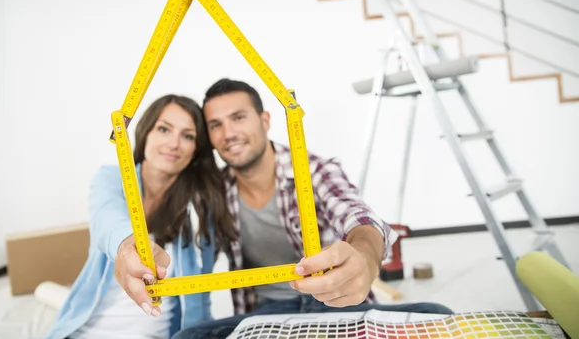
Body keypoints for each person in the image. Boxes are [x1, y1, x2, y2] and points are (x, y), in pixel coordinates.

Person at [117, 80, 453, 339]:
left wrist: (365, 255)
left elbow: (357, 216)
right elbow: (190, 248)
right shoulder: (214, 191)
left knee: (436, 315)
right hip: (267, 315)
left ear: (264, 120)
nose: (229, 133)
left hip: (331, 304)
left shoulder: (313, 170)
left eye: (238, 117)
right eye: (216, 125)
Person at [45, 94, 237, 339]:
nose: (174, 143)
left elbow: (199, 295)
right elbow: (107, 219)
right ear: (145, 132)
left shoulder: (199, 208)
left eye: (187, 135)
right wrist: (128, 246)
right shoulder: (110, 179)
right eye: (164, 129)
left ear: (195, 150)